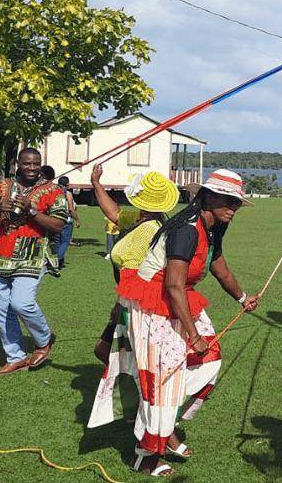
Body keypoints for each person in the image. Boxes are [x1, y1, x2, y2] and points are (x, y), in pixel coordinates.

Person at [114, 169, 259, 476]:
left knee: (209, 362)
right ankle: (145, 455)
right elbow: (173, 286)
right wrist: (193, 336)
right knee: (163, 382)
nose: (232, 207)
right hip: (156, 303)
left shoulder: (213, 229)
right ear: (207, 197)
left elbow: (220, 268)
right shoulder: (187, 230)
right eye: (227, 200)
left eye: (236, 202)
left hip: (178, 300)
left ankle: (164, 423)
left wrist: (243, 298)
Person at [87, 165, 180, 430]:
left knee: (121, 355)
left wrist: (119, 305)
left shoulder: (146, 230)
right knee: (115, 353)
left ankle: (141, 405)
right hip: (134, 301)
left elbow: (135, 276)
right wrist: (96, 183)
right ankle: (137, 402)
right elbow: (114, 213)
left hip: (135, 303)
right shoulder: (146, 219)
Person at [0, 148, 67, 376]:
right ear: (18, 163)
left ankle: (44, 340)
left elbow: (58, 225)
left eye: (37, 164)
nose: (32, 168)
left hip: (33, 256)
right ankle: (15, 356)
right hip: (1, 256)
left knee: (21, 303)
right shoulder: (2, 186)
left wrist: (32, 211)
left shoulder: (52, 190)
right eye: (27, 163)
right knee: (0, 309)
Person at [52, 176, 80, 269]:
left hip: (54, 219)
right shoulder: (67, 194)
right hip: (66, 220)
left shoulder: (53, 192)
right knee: (65, 241)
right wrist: (77, 220)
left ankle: (59, 261)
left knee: (57, 241)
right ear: (67, 184)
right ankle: (56, 260)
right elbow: (71, 209)